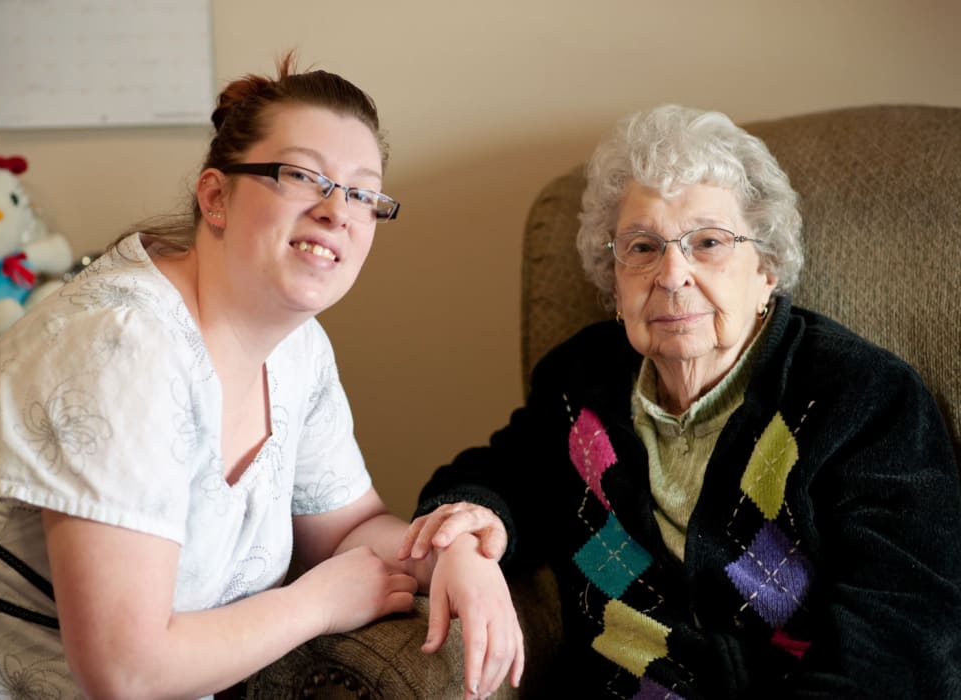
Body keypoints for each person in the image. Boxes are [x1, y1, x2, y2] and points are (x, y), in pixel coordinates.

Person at [0, 54, 522, 700]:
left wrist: (454, 555)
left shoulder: (300, 350)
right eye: (303, 176)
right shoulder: (120, 346)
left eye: (364, 193)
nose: (338, 211)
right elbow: (125, 671)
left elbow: (346, 527)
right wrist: (318, 604)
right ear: (215, 197)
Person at [402, 105, 961, 698]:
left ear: (766, 267)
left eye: (709, 243)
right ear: (614, 284)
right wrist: (465, 541)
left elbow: (903, 639)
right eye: (642, 247)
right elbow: (494, 476)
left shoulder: (864, 399)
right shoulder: (579, 386)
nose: (672, 274)